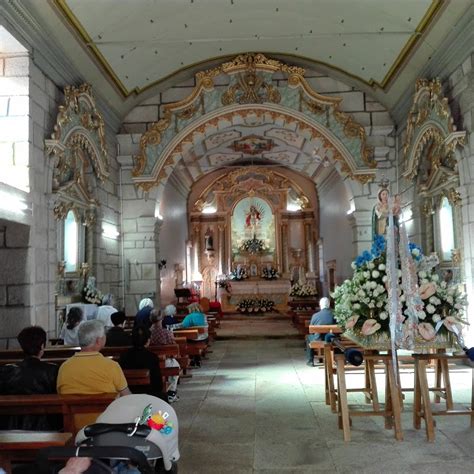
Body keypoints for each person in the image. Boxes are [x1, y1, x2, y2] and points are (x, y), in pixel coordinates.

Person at [57, 320, 131, 427]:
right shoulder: (111, 366)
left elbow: (60, 395)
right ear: (98, 341)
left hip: (74, 428)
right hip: (106, 427)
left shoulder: (64, 368)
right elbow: (127, 397)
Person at [0, 326, 60, 430]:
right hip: (46, 426)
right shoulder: (53, 370)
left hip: (10, 426)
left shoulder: (7, 370)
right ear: (42, 346)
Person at [119, 326, 167, 402]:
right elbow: (158, 385)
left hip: (128, 394)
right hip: (149, 395)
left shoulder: (123, 355)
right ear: (148, 341)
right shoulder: (152, 357)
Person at [149, 309, 180, 403]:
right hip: (165, 360)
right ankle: (171, 393)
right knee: (176, 367)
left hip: (150, 361)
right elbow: (174, 348)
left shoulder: (148, 332)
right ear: (162, 319)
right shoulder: (166, 332)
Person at [306, 297, 335, 367]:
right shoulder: (334, 314)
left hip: (319, 339)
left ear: (320, 305)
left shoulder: (315, 315)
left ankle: (310, 361)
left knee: (308, 337)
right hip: (332, 339)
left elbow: (311, 331)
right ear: (329, 305)